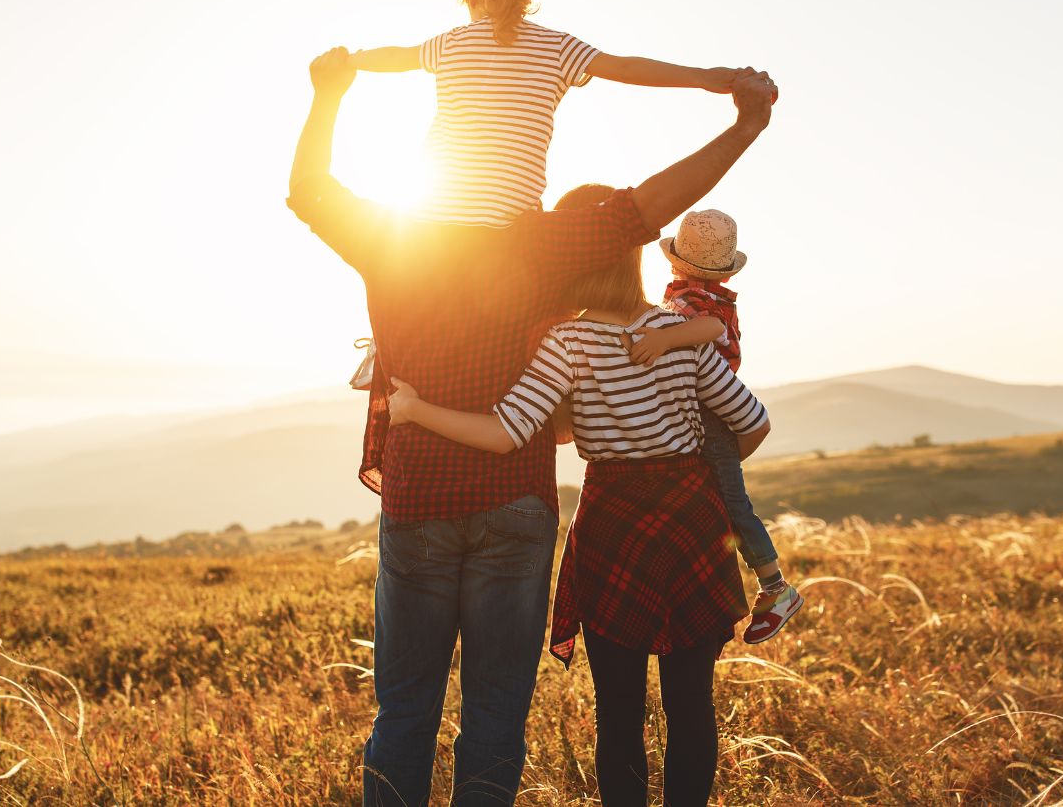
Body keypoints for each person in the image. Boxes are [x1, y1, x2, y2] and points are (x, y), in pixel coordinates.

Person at [286, 46, 777, 806]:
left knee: (407, 706)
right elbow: (646, 209)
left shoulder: (393, 240)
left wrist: (329, 94)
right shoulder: (546, 249)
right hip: (523, 505)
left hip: (419, 497)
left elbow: (309, 189)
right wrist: (744, 127)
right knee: (496, 713)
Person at [387, 225, 770, 806]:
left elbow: (504, 433)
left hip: (613, 524)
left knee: (618, 709)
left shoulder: (567, 341)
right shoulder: (679, 331)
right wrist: (690, 476)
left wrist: (414, 408)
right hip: (692, 522)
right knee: (692, 701)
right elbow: (753, 421)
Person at [347, 0, 742, 228]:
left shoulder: (449, 44)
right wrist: (703, 77)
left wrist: (349, 60)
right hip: (511, 225)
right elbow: (625, 68)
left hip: (432, 219)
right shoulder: (556, 46)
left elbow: (396, 56)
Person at [624, 208, 804, 643]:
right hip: (705, 414)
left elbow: (707, 329)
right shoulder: (699, 295)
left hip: (710, 413)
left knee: (731, 504)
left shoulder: (698, 304)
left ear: (674, 260)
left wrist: (664, 339)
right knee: (714, 502)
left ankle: (775, 586)